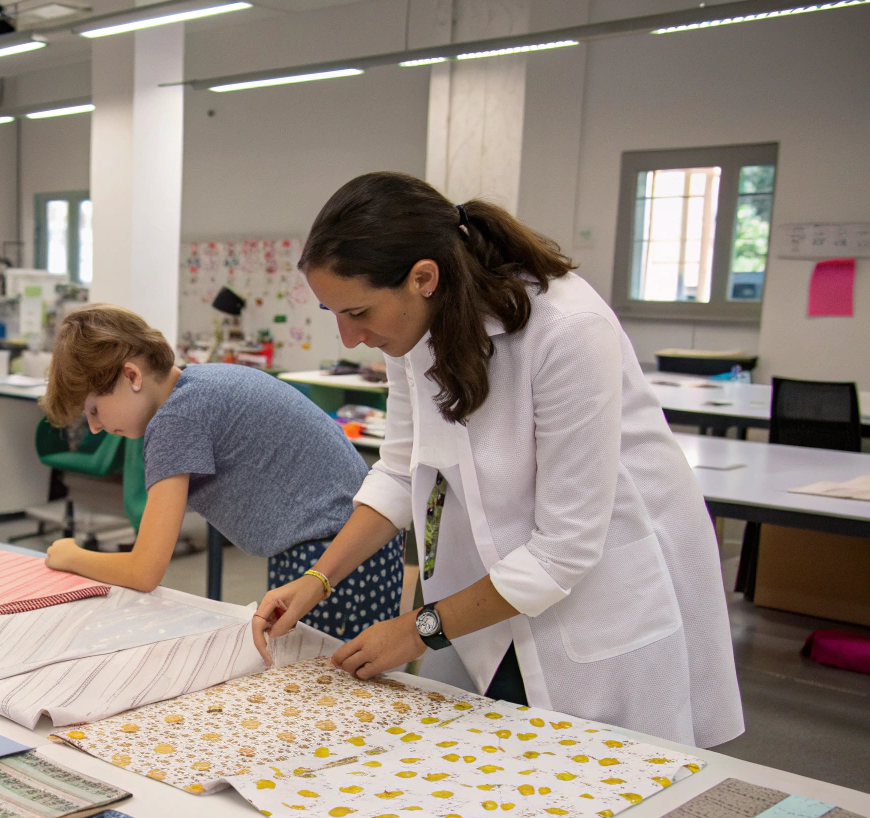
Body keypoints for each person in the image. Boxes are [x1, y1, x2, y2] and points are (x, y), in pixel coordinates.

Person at [254, 171, 743, 749]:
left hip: (599, 583)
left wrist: (417, 629)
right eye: (333, 312)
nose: (348, 337)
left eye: (357, 312)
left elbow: (564, 549)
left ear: (424, 278)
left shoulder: (567, 329)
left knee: (588, 770)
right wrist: (317, 580)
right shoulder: (411, 328)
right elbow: (400, 469)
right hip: (493, 579)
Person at [40, 303, 405, 641]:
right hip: (359, 546)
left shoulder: (175, 420)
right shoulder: (200, 383)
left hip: (332, 561)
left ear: (132, 375)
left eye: (94, 410)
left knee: (329, 680)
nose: (95, 428)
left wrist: (72, 555)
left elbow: (144, 570)